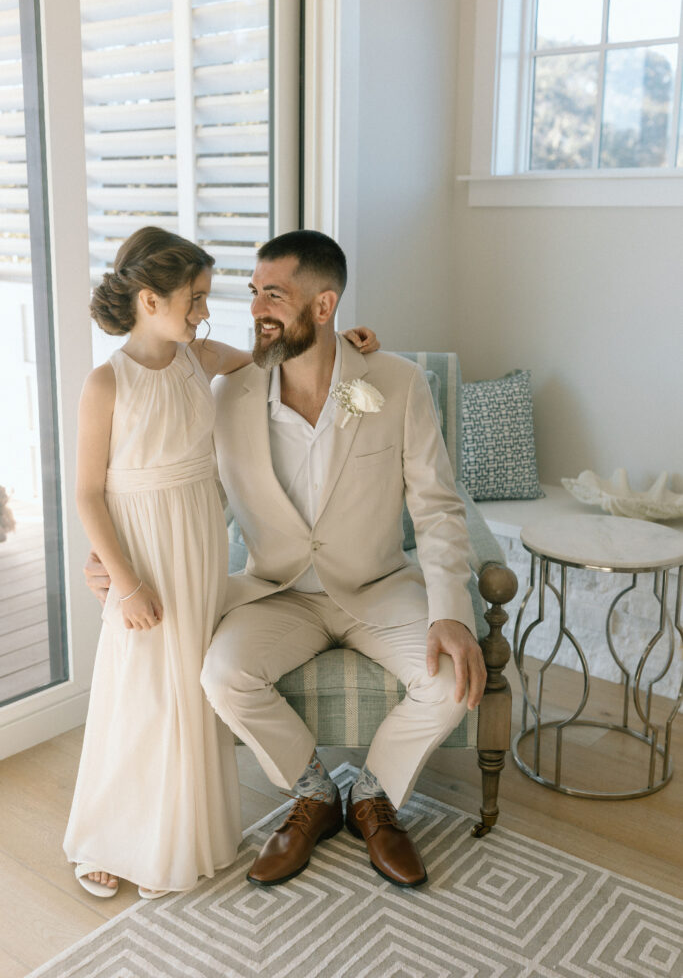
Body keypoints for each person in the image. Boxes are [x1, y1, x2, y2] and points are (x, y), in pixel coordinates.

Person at [68, 226, 378, 899]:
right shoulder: (106, 383)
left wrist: (347, 348)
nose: (206, 312)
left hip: (196, 543)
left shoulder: (197, 357)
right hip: (144, 554)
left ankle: (176, 835)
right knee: (139, 696)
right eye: (196, 299)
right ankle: (110, 838)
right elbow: (88, 493)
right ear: (150, 301)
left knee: (185, 692)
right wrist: (123, 584)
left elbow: (276, 360)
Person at [198, 229, 487, 889]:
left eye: (274, 294)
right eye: (253, 293)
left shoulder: (398, 383)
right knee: (222, 675)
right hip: (277, 592)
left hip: (377, 587)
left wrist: (450, 613)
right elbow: (198, 502)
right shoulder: (229, 395)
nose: (257, 308)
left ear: (323, 307)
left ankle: (373, 798)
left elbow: (437, 508)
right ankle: (313, 795)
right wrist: (126, 563)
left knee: (449, 682)